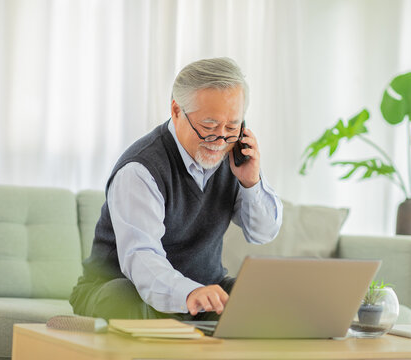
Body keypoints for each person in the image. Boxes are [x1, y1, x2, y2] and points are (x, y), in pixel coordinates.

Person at [69, 57, 283, 321]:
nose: (220, 140)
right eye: (208, 126)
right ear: (176, 110)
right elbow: (141, 256)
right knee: (125, 299)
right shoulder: (140, 169)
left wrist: (251, 182)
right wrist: (189, 294)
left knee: (261, 298)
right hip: (127, 289)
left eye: (232, 127)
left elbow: (262, 233)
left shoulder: (234, 156)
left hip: (202, 291)